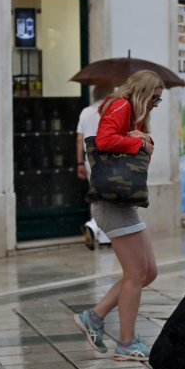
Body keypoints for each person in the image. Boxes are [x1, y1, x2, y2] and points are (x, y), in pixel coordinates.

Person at [73, 70, 164, 361]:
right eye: (155, 99)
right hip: (112, 203)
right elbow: (104, 140)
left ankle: (94, 317)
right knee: (137, 274)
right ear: (144, 93)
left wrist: (138, 136)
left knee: (148, 272)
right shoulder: (122, 105)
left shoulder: (129, 112)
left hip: (123, 203)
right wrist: (136, 141)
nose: (156, 105)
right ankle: (126, 342)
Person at [77, 84, 114, 250]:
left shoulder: (85, 112)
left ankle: (104, 237)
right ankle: (93, 227)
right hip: (107, 159)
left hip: (89, 159)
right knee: (109, 198)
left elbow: (79, 139)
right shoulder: (111, 111)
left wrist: (79, 163)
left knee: (98, 197)